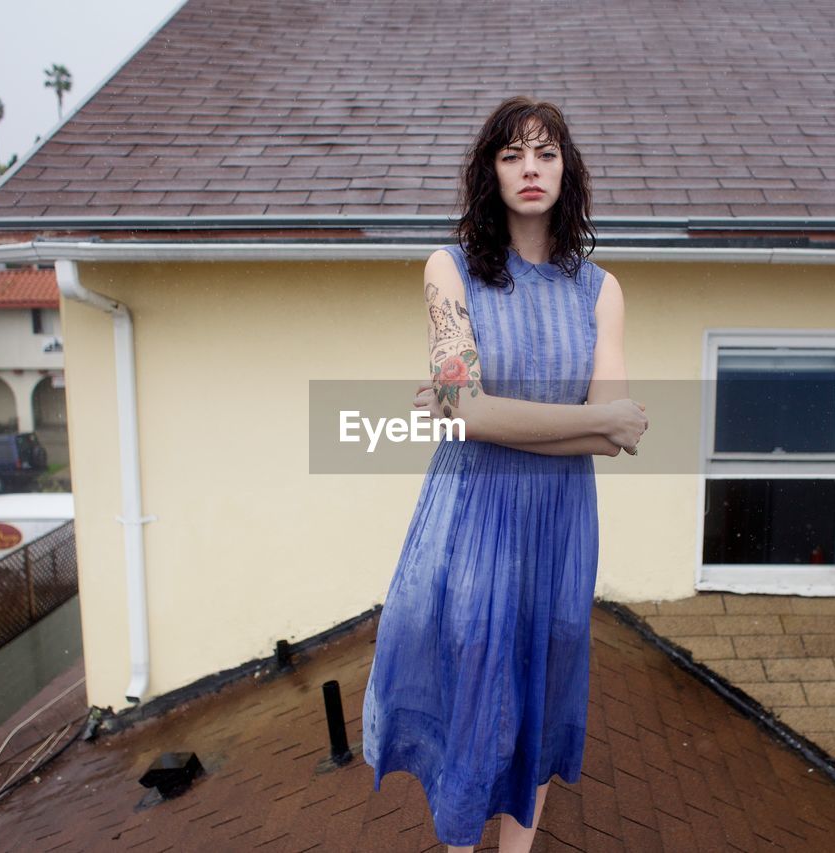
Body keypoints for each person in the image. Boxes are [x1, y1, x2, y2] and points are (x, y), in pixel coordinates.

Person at [362, 95, 648, 853]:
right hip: (474, 516)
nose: (530, 168)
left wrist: (483, 413)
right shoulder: (449, 269)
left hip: (561, 521)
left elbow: (595, 432)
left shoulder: (600, 290)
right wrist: (585, 420)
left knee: (544, 693)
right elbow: (582, 421)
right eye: (513, 153)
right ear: (490, 169)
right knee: (477, 691)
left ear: (567, 169)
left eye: (546, 153)